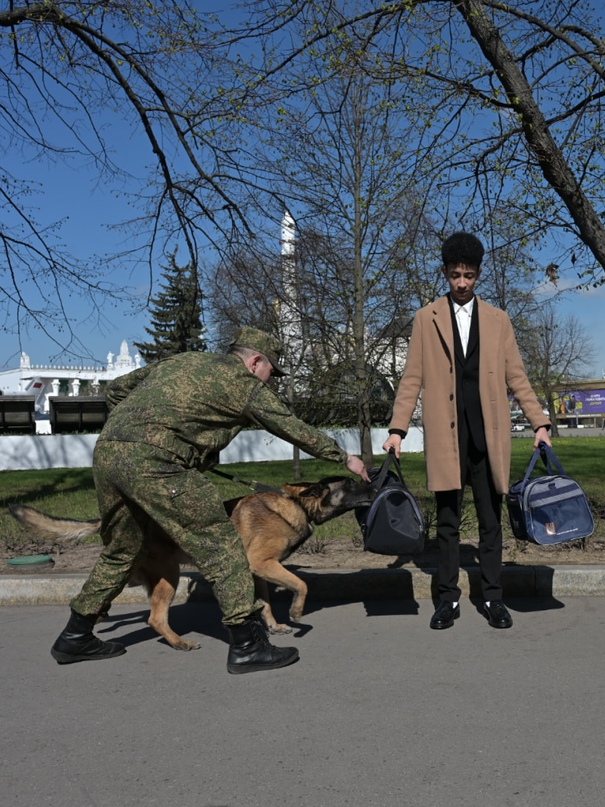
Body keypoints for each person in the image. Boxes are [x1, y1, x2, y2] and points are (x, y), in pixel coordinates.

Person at [51, 326, 370, 673]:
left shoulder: (185, 360)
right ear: (255, 361)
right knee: (221, 544)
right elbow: (290, 427)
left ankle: (75, 636)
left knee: (122, 551)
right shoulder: (243, 384)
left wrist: (130, 430)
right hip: (159, 464)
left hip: (109, 456)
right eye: (271, 372)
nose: (270, 380)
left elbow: (115, 389)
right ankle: (248, 646)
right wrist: (343, 458)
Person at [383, 232, 551, 631]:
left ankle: (494, 598)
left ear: (478, 276)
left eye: (469, 275)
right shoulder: (427, 318)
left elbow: (517, 376)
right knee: (447, 522)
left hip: (489, 437)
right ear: (445, 272)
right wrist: (397, 429)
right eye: (456, 274)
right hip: (446, 436)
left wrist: (539, 422)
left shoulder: (498, 319)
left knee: (491, 521)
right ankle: (447, 601)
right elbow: (412, 378)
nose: (462, 283)